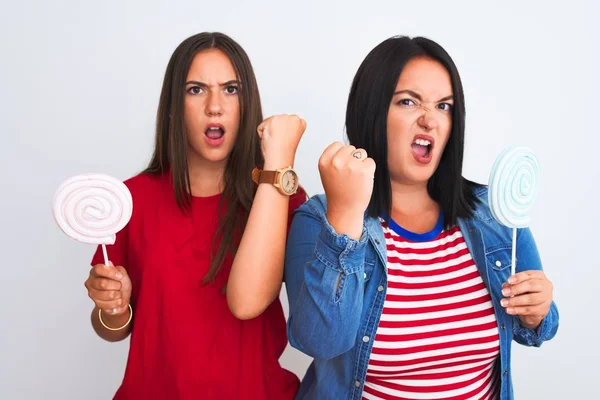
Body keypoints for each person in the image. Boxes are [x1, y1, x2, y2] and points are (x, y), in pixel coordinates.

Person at [284, 35, 558, 400]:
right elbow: (320, 339)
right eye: (408, 101)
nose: (430, 119)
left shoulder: (493, 216)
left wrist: (537, 312)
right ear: (372, 111)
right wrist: (345, 213)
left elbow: (540, 326)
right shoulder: (320, 220)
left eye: (444, 106)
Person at [83, 31, 307, 399]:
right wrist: (113, 307)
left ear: (247, 102)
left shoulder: (281, 198)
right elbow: (112, 329)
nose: (215, 106)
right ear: (174, 105)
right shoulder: (129, 200)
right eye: (196, 89)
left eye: (231, 89)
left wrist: (277, 168)